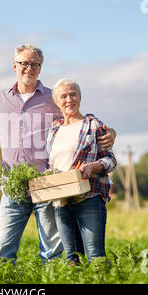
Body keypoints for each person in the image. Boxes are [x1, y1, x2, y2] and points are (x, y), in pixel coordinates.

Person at [0, 44, 116, 264]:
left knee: (53, 251)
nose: (29, 68)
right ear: (15, 65)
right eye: (24, 63)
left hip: (47, 184)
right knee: (3, 250)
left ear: (40, 68)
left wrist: (109, 132)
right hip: (13, 184)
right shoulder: (1, 98)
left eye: (35, 64)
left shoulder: (52, 98)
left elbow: (76, 120)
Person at [47, 78, 117, 265]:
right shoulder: (54, 130)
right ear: (56, 101)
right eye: (64, 96)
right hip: (61, 201)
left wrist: (92, 167)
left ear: (80, 97)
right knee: (72, 259)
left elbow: (111, 160)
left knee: (96, 258)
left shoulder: (93, 125)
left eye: (73, 94)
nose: (69, 99)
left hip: (89, 197)